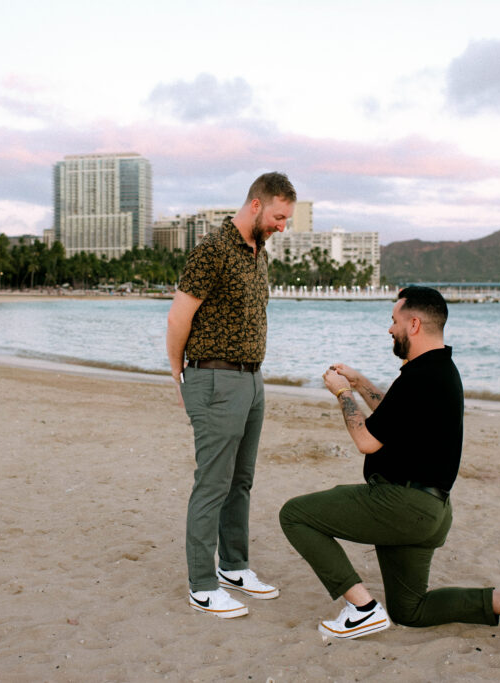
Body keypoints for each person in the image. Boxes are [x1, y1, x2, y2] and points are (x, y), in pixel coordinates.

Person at [279, 286, 500, 648]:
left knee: (295, 514)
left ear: (414, 324)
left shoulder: (422, 376)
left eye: (394, 321)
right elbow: (394, 414)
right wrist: (359, 383)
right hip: (430, 510)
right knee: (411, 611)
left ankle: (361, 610)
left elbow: (367, 441)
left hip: (401, 505)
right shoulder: (436, 371)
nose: (390, 329)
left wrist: (342, 394)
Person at [166, 172, 296, 619]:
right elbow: (177, 319)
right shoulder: (213, 250)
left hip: (252, 380)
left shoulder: (258, 253)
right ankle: (202, 585)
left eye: (288, 219)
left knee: (241, 481)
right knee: (213, 483)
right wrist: (179, 377)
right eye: (279, 216)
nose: (283, 226)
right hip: (215, 379)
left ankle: (234, 567)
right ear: (256, 205)